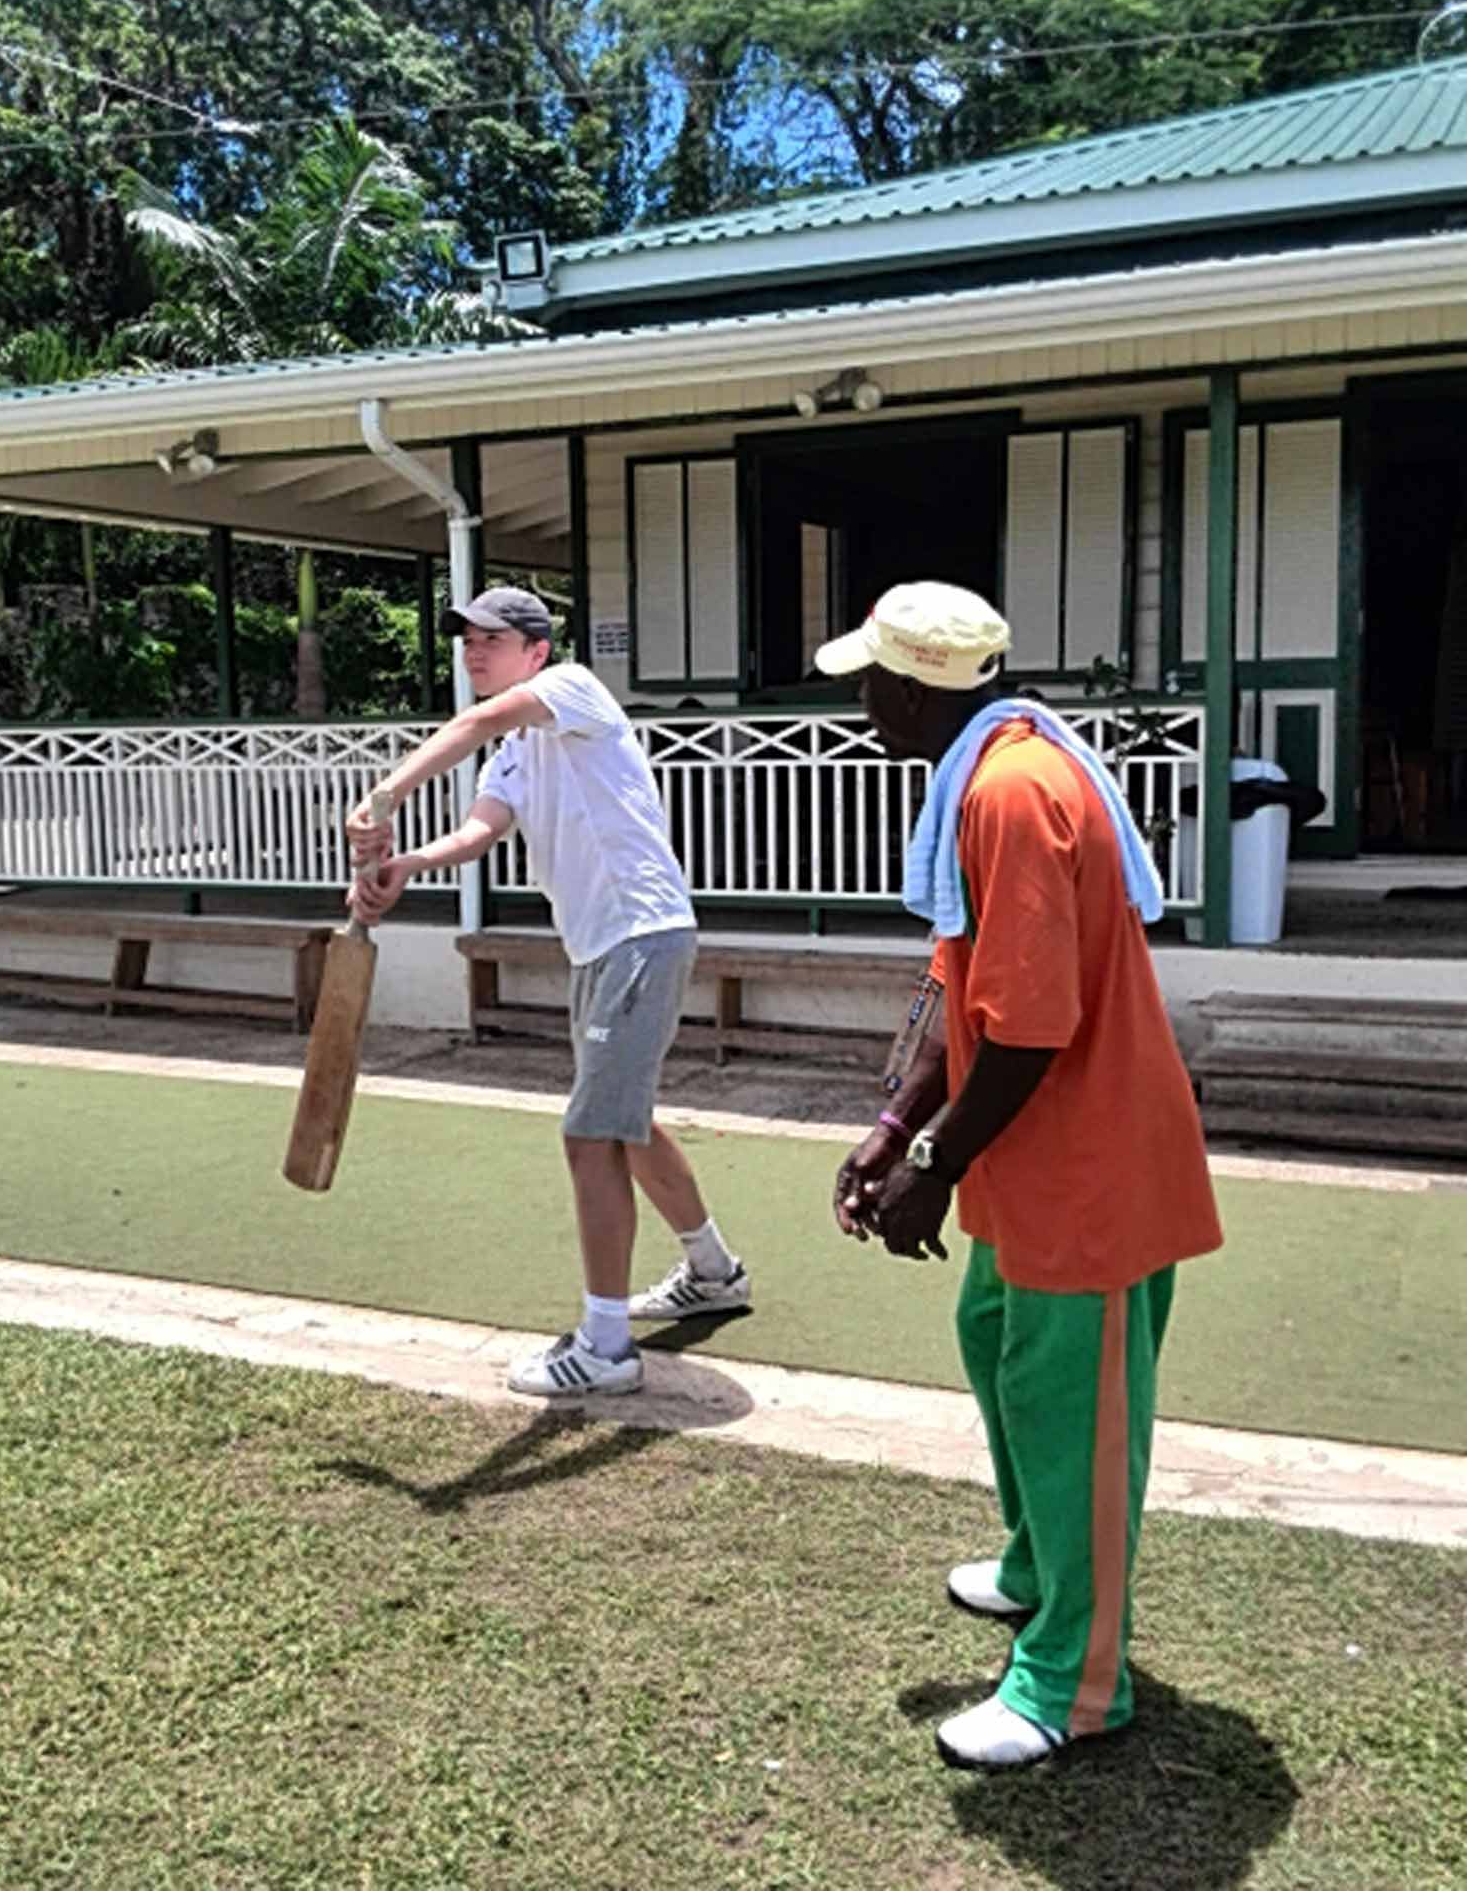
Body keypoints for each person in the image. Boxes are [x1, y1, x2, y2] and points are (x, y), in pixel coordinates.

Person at [816, 580, 1222, 1772]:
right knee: (995, 1338)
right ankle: (1037, 1565)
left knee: (1075, 1412)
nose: (861, 704)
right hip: (1033, 1157)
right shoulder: (996, 764)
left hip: (1087, 1168)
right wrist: (898, 1122)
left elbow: (1034, 1026)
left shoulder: (1008, 791)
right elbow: (969, 984)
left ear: (908, 688)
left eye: (868, 684)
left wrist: (933, 1165)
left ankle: (1073, 1680)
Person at [345, 586, 750, 1398]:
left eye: (489, 639)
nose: (472, 653)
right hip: (601, 947)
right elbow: (481, 831)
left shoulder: (572, 690)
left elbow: (474, 723)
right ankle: (714, 1271)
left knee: (588, 1136)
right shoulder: (515, 755)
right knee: (624, 1125)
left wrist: (383, 797)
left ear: (535, 650)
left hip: (640, 932)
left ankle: (606, 1347)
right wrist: (404, 866)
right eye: (464, 642)